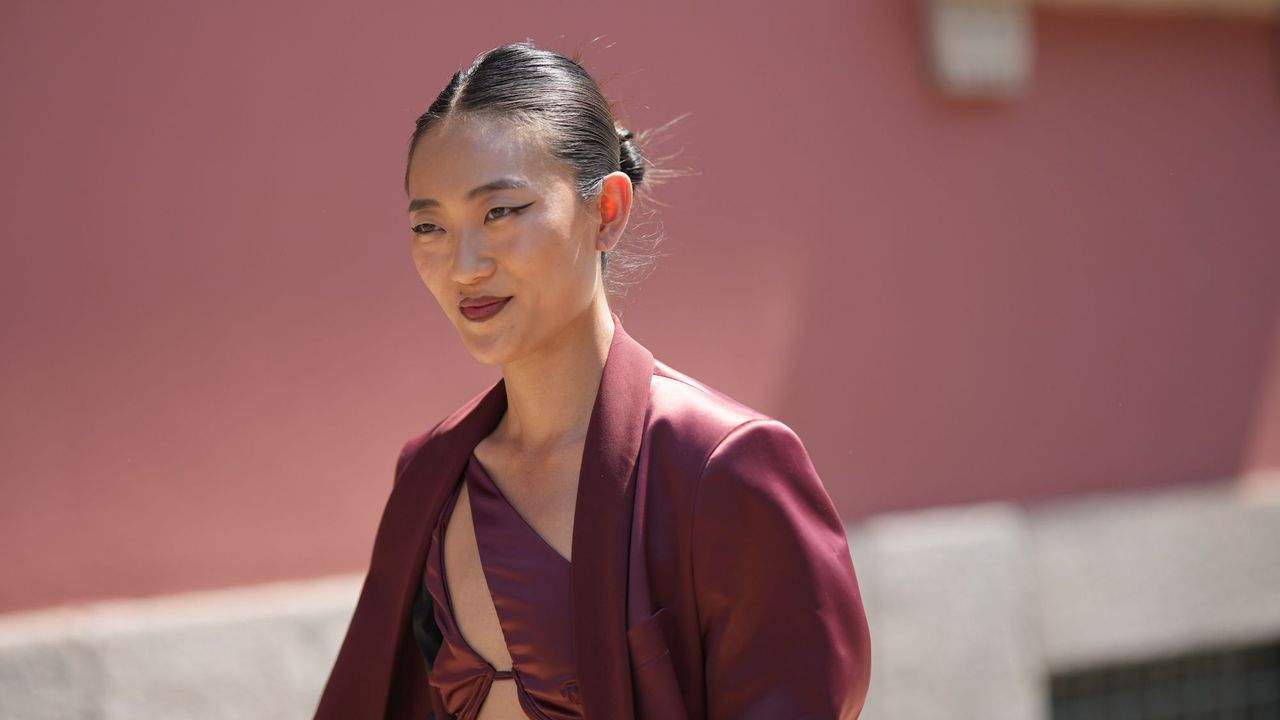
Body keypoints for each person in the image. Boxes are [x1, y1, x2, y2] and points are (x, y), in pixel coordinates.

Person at [315, 42, 871, 720]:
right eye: (429, 225)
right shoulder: (430, 476)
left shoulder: (722, 466)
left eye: (500, 213)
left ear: (607, 212)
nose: (462, 265)